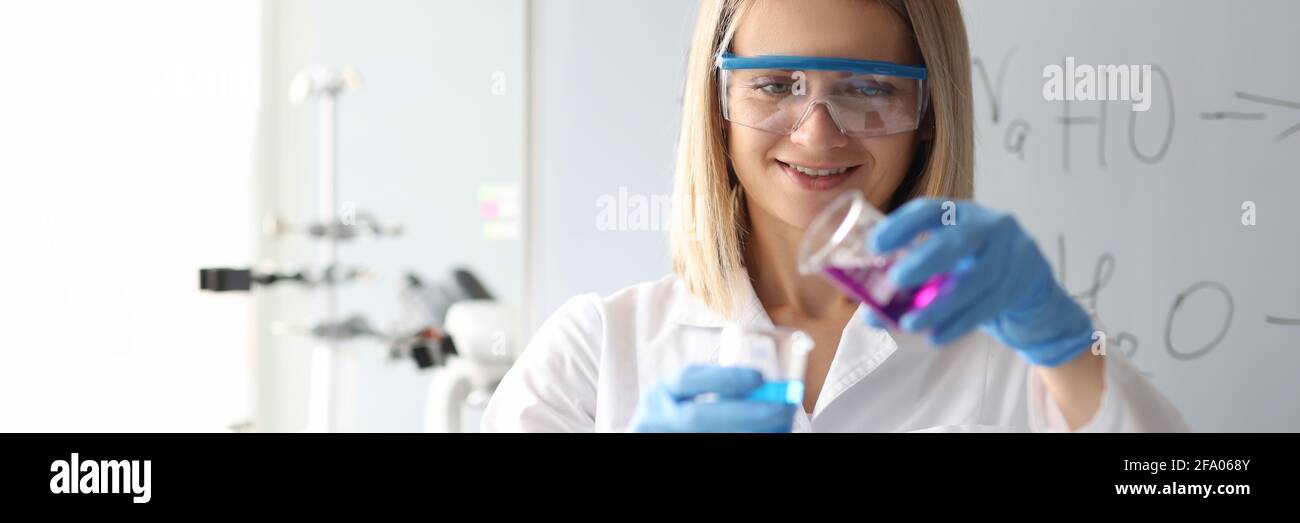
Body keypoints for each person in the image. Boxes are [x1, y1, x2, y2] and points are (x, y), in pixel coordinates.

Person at [482, 0, 1187, 432]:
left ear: (928, 118)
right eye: (775, 85)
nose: (818, 133)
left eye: (868, 88)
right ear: (717, 105)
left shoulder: (1013, 356)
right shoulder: (597, 351)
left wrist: (1065, 343)